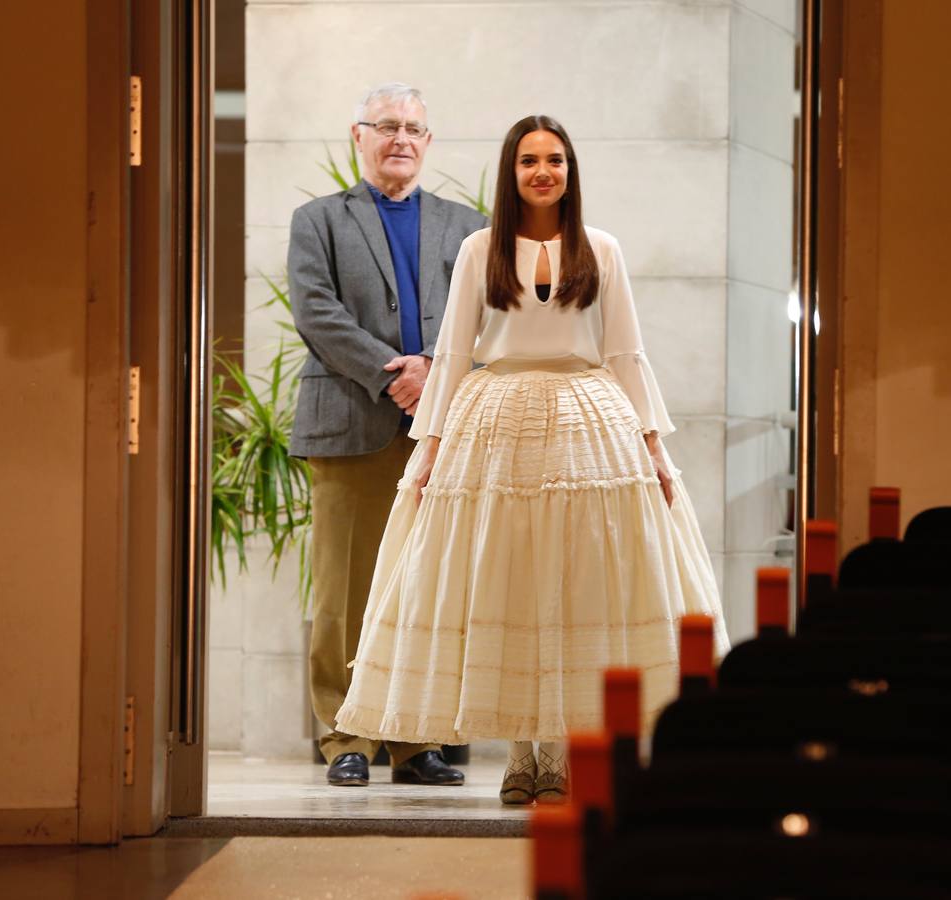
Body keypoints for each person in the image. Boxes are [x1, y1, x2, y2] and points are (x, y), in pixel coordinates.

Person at [335, 115, 730, 804]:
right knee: (507, 581)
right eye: (528, 161)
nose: (542, 171)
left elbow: (625, 352)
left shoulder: (601, 249)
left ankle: (566, 753)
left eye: (554, 159)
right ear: (510, 172)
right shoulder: (479, 249)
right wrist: (428, 451)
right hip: (497, 428)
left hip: (591, 426)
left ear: (570, 171)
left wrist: (655, 449)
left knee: (579, 584)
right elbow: (454, 352)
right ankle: (522, 756)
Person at [288, 83, 486, 788]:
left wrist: (434, 372)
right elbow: (315, 310)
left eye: (414, 129)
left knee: (427, 587)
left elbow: (485, 314)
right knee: (346, 588)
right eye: (386, 126)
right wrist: (393, 372)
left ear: (428, 143)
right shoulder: (318, 220)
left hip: (442, 433)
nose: (400, 138)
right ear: (358, 136)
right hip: (351, 424)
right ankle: (348, 734)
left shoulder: (468, 225)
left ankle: (416, 740)